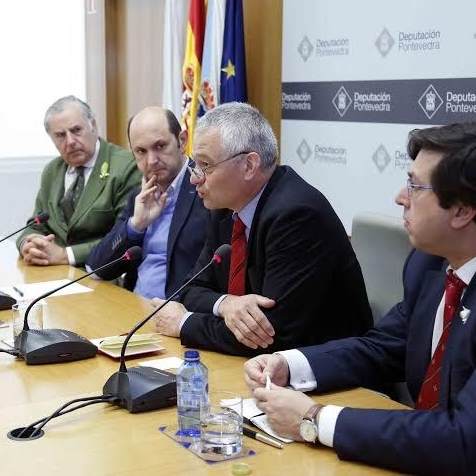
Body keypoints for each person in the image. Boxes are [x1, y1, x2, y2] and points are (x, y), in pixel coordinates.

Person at [246, 122, 476, 475]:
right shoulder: (430, 263)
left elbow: (468, 440)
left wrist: (314, 419)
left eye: (415, 186)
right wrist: (291, 364)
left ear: (462, 211)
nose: (400, 196)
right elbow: (385, 347)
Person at [152, 102, 372, 356]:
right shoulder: (224, 209)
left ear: (249, 165)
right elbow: (190, 289)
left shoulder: (296, 215)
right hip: (267, 369)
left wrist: (183, 323)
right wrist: (226, 304)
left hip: (332, 376)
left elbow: (270, 334)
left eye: (205, 165)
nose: (194, 178)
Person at [86, 106, 208, 299]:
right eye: (141, 151)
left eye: (160, 146)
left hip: (179, 316)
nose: (151, 160)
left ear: (182, 141)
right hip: (134, 310)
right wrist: (136, 225)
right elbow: (97, 268)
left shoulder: (207, 187)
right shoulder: (140, 194)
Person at [16, 96, 140, 267]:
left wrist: (66, 255)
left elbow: (124, 236)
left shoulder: (126, 166)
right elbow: (35, 225)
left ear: (94, 126)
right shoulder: (52, 171)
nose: (71, 141)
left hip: (101, 274)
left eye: (76, 130)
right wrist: (28, 245)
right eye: (60, 135)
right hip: (54, 272)